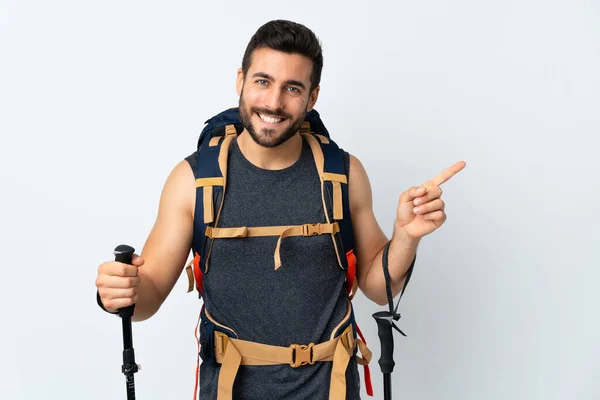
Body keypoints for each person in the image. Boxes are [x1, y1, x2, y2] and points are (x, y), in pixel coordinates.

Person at [95, 19, 466, 400]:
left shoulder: (342, 174)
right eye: (262, 81)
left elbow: (377, 286)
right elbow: (148, 296)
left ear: (313, 97)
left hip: (331, 389)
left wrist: (405, 237)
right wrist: (123, 292)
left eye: (292, 88)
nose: (273, 102)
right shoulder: (193, 181)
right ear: (240, 80)